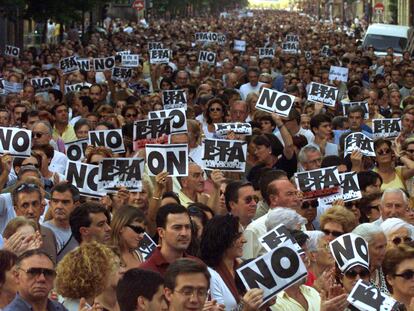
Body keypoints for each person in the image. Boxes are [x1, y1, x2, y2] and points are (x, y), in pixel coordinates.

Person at [55, 241, 122, 310]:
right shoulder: (75, 307)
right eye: (111, 267)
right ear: (96, 274)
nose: (121, 270)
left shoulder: (72, 304)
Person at [200, 215, 244, 310]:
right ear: (223, 239)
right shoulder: (209, 275)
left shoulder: (242, 267)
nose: (244, 240)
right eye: (238, 236)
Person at [140, 204, 194, 275]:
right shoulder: (145, 271)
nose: (184, 233)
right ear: (161, 232)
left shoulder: (198, 265)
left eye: (187, 227)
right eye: (177, 228)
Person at [12, 183, 58, 263]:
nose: (31, 211)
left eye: (35, 204)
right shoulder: (9, 238)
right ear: (16, 210)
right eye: (25, 205)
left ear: (41, 207)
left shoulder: (49, 234)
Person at [42, 183, 79, 261]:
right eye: (55, 201)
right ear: (50, 204)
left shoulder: (82, 231)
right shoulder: (42, 231)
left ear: (76, 205)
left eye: (65, 202)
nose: (59, 206)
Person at [352, 223, 389, 293]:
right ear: (362, 249)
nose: (385, 251)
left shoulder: (388, 269)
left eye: (385, 246)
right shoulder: (351, 276)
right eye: (379, 247)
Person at [110, 205, 146, 270]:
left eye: (143, 231)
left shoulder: (138, 254)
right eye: (137, 229)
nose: (141, 236)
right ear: (121, 227)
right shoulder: (106, 256)